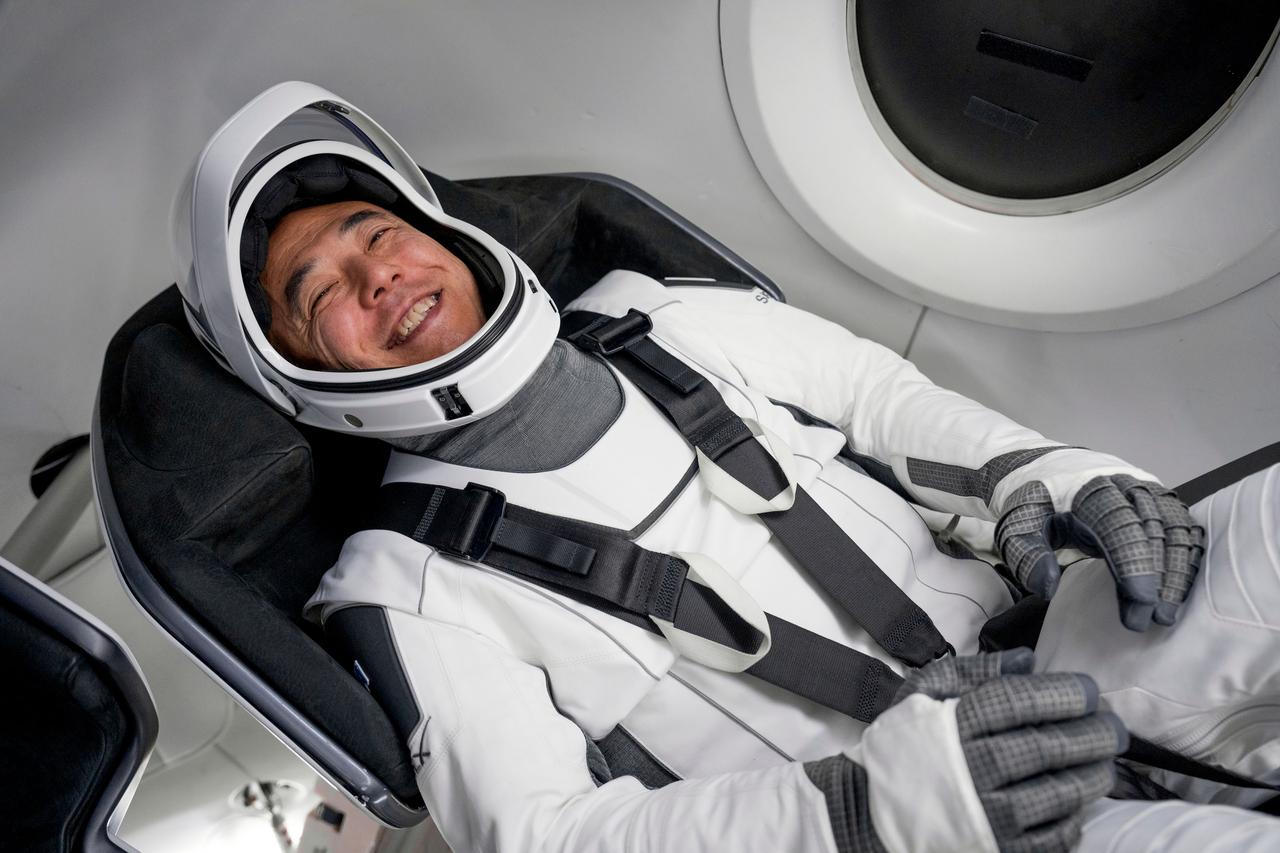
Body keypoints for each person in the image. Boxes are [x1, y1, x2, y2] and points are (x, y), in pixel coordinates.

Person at [173, 82, 1280, 852]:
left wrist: (1057, 479)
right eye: (320, 297)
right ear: (300, 372)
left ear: (438, 232)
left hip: (1049, 634)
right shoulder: (405, 588)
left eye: (375, 231)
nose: (377, 279)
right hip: (919, 819)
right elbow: (548, 835)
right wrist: (871, 812)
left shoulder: (651, 315)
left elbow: (880, 403)